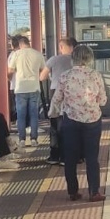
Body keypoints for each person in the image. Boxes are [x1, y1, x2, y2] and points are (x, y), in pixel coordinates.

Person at [51, 44, 107, 201]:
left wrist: (54, 112)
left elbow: (57, 99)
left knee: (70, 157)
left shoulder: (65, 76)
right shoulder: (95, 75)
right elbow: (103, 100)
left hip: (71, 120)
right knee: (92, 157)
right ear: (90, 58)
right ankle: (94, 192)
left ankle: (73, 192)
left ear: (73, 58)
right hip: (92, 120)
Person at [40, 37, 75, 165]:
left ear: (61, 47)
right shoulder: (76, 60)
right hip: (72, 92)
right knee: (71, 123)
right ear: (73, 47)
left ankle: (54, 156)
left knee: (55, 123)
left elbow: (42, 76)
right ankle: (69, 156)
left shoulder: (54, 60)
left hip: (55, 91)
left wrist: (52, 76)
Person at [8, 35, 47, 147]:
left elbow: (10, 71)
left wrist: (10, 79)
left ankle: (22, 140)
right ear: (28, 43)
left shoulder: (16, 54)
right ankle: (34, 139)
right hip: (34, 87)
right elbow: (43, 70)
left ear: (20, 44)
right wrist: (39, 78)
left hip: (20, 89)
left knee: (21, 115)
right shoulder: (38, 54)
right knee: (34, 114)